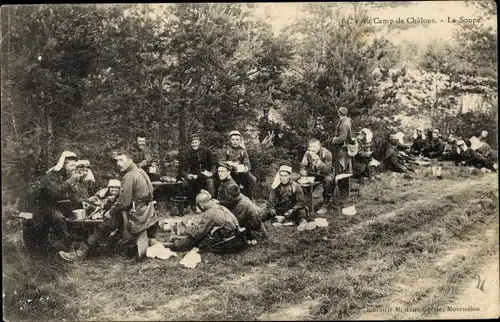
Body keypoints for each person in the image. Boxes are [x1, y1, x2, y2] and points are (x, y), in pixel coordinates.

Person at [59, 149, 160, 261]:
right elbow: (149, 192)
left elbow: (123, 203)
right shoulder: (140, 171)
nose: (118, 163)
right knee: (112, 222)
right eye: (117, 160)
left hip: (137, 215)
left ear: (130, 160)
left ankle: (80, 253)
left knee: (104, 225)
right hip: (145, 211)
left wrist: (109, 213)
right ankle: (107, 246)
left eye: (121, 160)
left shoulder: (130, 176)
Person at [165, 190, 247, 254]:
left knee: (195, 239)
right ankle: (176, 240)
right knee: (200, 234)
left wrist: (185, 230)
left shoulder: (210, 213)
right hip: (237, 239)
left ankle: (170, 245)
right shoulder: (220, 207)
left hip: (228, 243)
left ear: (201, 204)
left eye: (198, 206)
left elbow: (198, 233)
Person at [39, 151, 84, 251]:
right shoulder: (51, 175)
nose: (74, 168)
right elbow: (55, 193)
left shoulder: (67, 175)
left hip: (61, 206)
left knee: (82, 215)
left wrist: (81, 201)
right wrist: (71, 181)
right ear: (63, 164)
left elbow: (70, 195)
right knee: (58, 218)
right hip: (48, 206)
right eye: (71, 165)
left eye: (75, 165)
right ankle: (67, 247)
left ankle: (81, 242)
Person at [178, 134, 218, 213]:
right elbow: (182, 169)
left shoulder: (206, 151)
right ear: (190, 144)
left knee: (210, 182)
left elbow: (214, 163)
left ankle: (211, 203)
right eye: (192, 143)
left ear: (199, 142)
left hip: (205, 175)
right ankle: (191, 204)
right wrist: (187, 175)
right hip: (193, 175)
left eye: (196, 142)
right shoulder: (187, 154)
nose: (194, 144)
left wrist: (212, 172)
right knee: (185, 183)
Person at [299, 139, 334, 215]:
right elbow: (303, 166)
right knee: (299, 182)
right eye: (311, 146)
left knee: (328, 180)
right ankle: (305, 204)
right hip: (313, 174)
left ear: (319, 146)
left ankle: (325, 205)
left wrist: (317, 160)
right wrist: (304, 173)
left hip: (325, 174)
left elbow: (327, 170)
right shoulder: (307, 153)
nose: (312, 148)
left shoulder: (327, 153)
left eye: (314, 146)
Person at [221, 130, 257, 200]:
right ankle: (230, 200)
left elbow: (247, 163)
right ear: (230, 140)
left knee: (253, 179)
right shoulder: (225, 150)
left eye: (237, 140)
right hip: (230, 173)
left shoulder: (243, 151)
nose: (235, 141)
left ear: (240, 140)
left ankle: (250, 198)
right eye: (233, 139)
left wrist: (246, 168)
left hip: (241, 173)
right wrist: (230, 164)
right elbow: (221, 161)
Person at [330, 107, 353, 175]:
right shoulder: (347, 122)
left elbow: (342, 138)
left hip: (341, 148)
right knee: (343, 166)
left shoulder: (343, 124)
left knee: (339, 166)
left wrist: (334, 139)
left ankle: (339, 184)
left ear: (339, 113)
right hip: (345, 147)